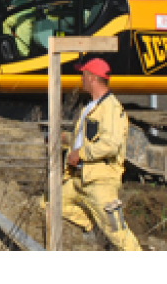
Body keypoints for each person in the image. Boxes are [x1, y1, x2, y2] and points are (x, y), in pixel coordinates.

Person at [50, 57, 141, 250]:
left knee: (117, 233)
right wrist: (62, 139)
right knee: (51, 205)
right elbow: (83, 138)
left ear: (92, 77)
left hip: (100, 183)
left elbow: (110, 145)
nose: (81, 78)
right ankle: (92, 224)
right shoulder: (89, 108)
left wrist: (80, 154)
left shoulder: (112, 108)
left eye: (83, 74)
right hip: (79, 180)